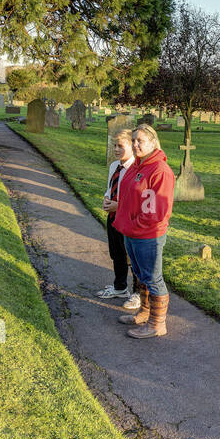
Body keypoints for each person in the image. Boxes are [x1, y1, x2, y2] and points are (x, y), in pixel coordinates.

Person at [115, 123, 178, 339]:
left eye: (140, 140)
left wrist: (134, 225)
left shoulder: (160, 170)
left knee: (153, 278)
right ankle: (145, 312)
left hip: (148, 235)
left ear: (153, 142)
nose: (135, 144)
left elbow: (156, 211)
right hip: (132, 232)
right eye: (133, 140)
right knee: (141, 276)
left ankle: (157, 324)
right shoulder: (137, 165)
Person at [92, 126, 137, 309]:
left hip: (128, 218)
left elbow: (137, 199)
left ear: (132, 146)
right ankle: (120, 287)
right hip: (113, 217)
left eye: (120, 145)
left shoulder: (136, 168)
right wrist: (106, 198)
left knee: (132, 256)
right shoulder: (114, 166)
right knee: (116, 253)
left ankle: (137, 293)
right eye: (114, 146)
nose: (116, 149)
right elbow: (111, 187)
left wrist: (120, 206)